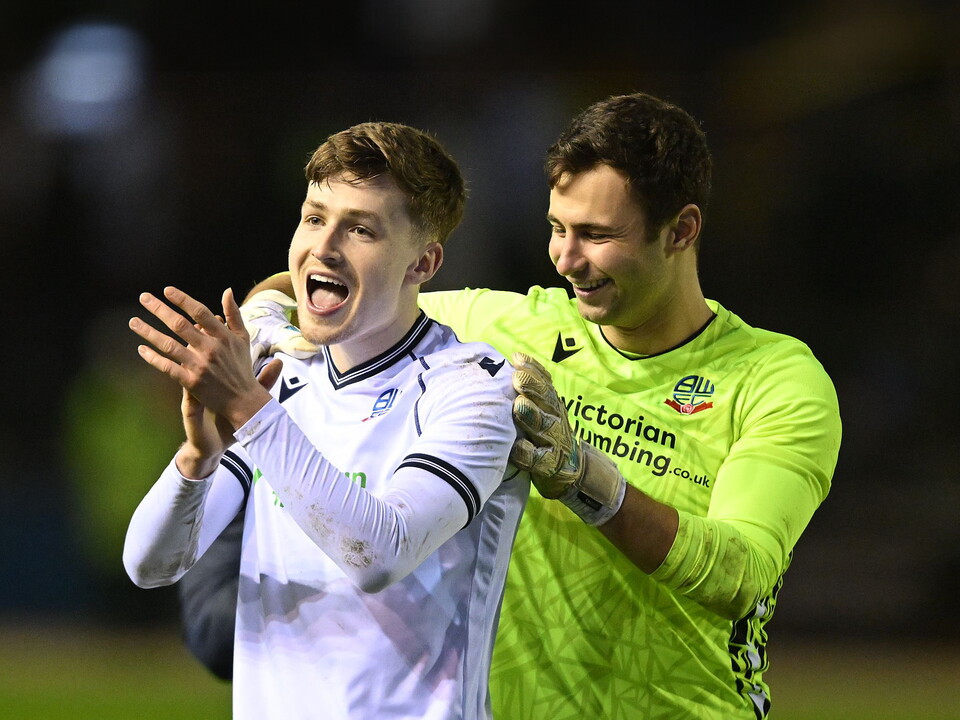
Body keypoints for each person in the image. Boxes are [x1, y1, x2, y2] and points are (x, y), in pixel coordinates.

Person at [182, 92, 843, 719]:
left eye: (596, 234)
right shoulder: (498, 330)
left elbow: (741, 575)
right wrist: (269, 320)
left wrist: (586, 480)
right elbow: (335, 281)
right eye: (557, 228)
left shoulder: (774, 379)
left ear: (681, 231)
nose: (565, 259)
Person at [122, 121, 529, 720]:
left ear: (423, 262)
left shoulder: (470, 387)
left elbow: (381, 554)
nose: (325, 246)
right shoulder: (280, 378)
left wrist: (249, 410)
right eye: (314, 218)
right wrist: (197, 459)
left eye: (361, 228)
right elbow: (149, 565)